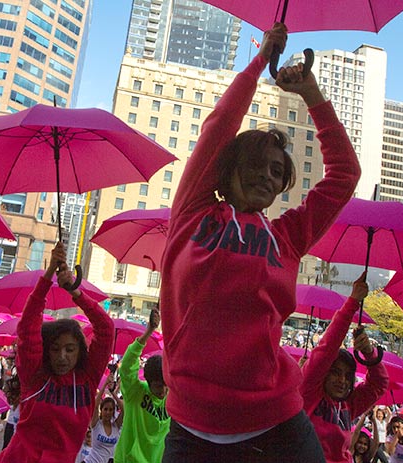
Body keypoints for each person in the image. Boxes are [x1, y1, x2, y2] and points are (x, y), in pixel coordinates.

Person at [160, 22, 361, 462]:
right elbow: (220, 124)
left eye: (276, 172)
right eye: (256, 163)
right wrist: (259, 63)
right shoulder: (192, 212)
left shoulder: (286, 236)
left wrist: (311, 93)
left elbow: (345, 174)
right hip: (192, 427)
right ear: (227, 167)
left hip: (276, 422)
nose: (266, 176)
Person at [0, 243, 114, 463]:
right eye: (55, 349)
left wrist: (74, 291)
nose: (62, 357)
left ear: (80, 352)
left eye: (70, 350)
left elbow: (106, 328)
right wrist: (48, 274)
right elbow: (28, 325)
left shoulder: (88, 379)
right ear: (45, 351)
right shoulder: (34, 374)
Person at [301, 272, 389, 463]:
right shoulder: (308, 392)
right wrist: (353, 302)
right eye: (336, 373)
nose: (342, 380)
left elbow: (378, 384)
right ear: (324, 373)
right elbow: (326, 350)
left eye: (348, 375)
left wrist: (369, 353)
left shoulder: (349, 405)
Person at [114, 309, 170, 463]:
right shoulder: (135, 392)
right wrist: (149, 331)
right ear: (149, 381)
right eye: (159, 386)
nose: (163, 391)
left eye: (166, 386)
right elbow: (127, 366)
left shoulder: (172, 399)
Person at [86, 376, 123, 463]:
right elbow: (95, 405)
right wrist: (104, 385)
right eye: (105, 409)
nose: (108, 412)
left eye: (111, 410)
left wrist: (112, 392)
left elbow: (124, 409)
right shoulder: (96, 423)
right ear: (101, 410)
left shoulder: (116, 426)